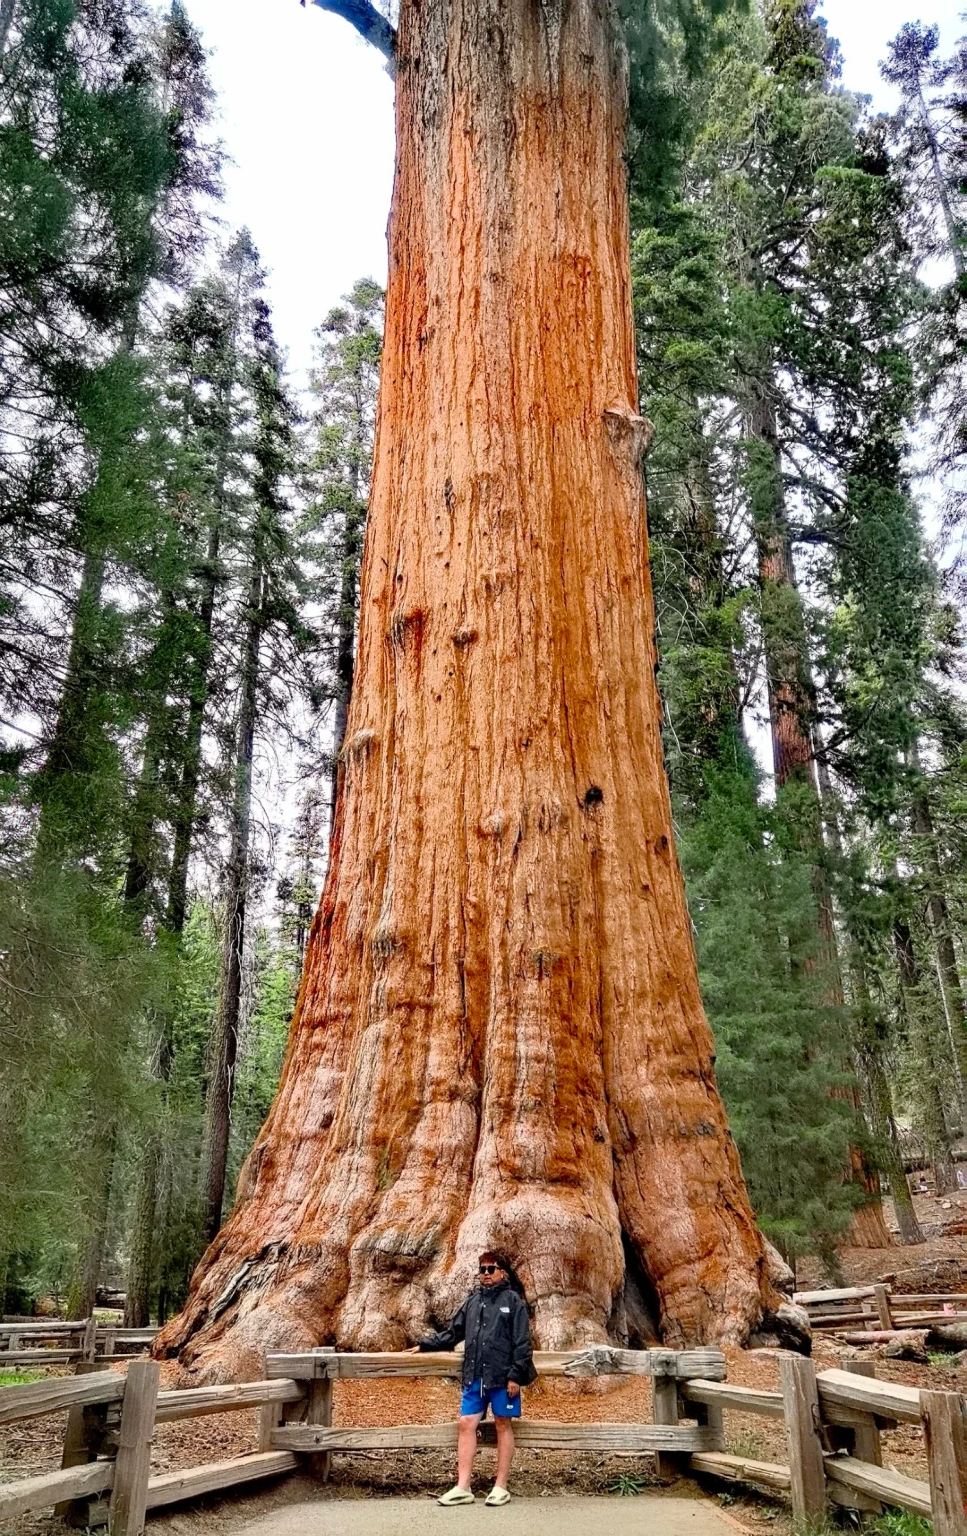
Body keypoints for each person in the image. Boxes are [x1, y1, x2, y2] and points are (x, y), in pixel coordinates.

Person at [414, 1250, 535, 1507]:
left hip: (503, 1378)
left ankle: (500, 1486)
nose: (486, 1274)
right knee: (466, 1423)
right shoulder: (473, 1302)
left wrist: (516, 1375)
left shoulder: (513, 1302)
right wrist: (425, 1345)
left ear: (503, 1272)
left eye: (491, 1269)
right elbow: (453, 1332)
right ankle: (463, 1486)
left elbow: (523, 1343)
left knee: (503, 1423)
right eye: (483, 1269)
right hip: (475, 1376)